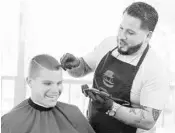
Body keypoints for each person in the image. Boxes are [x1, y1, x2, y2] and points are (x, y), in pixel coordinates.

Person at [60, 2, 170, 133]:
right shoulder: (108, 44)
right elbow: (83, 68)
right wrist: (75, 65)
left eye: (130, 32)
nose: (121, 36)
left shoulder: (155, 69)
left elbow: (148, 120)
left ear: (148, 36)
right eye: (121, 28)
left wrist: (111, 107)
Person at [1, 54, 96, 133]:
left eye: (59, 83)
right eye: (47, 83)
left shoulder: (74, 113)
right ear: (30, 82)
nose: (55, 90)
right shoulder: (11, 121)